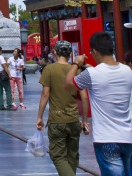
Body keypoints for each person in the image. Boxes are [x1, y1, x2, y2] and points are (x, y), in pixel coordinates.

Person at [67, 32, 132, 176]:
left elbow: (68, 84)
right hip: (126, 137)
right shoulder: (127, 71)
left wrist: (76, 63)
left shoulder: (93, 74)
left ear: (95, 51)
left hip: (105, 138)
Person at [36, 41, 90, 176]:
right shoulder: (76, 70)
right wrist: (84, 120)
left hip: (57, 120)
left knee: (58, 156)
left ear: (55, 52)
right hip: (73, 120)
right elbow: (84, 97)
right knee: (72, 156)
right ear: (70, 53)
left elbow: (45, 95)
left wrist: (39, 117)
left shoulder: (49, 69)